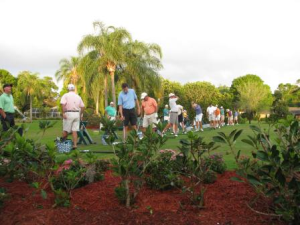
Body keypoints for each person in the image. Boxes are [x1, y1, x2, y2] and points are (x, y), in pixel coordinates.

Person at [60, 84, 85, 150]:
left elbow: (62, 104)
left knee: (65, 130)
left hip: (69, 113)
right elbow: (82, 107)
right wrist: (80, 114)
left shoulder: (65, 95)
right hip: (76, 114)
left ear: (68, 89)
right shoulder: (78, 96)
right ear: (74, 89)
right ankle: (75, 145)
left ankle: (63, 144)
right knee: (75, 131)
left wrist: (63, 113)